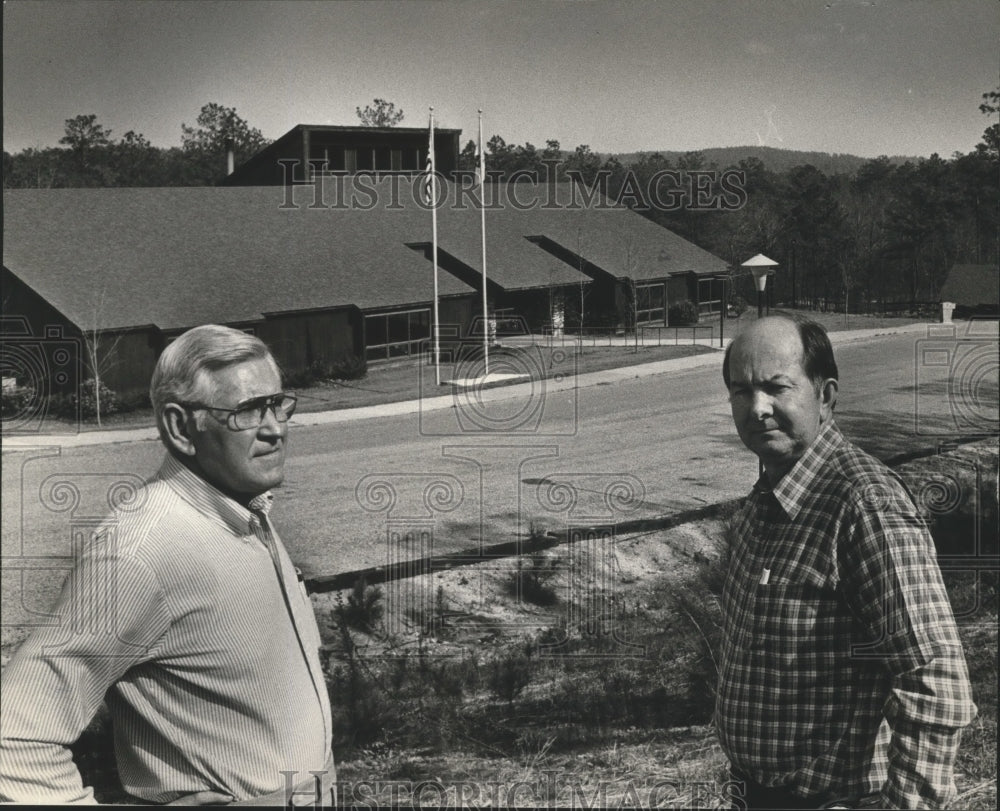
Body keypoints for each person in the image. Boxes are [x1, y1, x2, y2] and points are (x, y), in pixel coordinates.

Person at [0, 324, 334, 805]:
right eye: (246, 411)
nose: (275, 429)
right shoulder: (141, 548)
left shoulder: (244, 507)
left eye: (278, 404)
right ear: (180, 427)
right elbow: (13, 738)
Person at [716, 315, 976, 810]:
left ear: (826, 395)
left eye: (776, 387)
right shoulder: (766, 502)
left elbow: (937, 683)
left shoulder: (864, 504)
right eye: (740, 391)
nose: (758, 408)